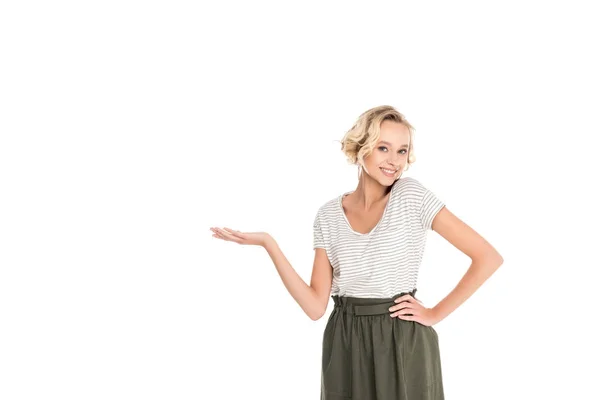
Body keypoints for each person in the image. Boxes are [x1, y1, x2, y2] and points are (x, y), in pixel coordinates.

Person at [210, 105, 504, 399]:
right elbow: (315, 307)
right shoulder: (328, 216)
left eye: (402, 151)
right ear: (361, 148)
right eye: (383, 148)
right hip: (345, 338)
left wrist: (435, 313)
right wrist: (268, 244)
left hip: (400, 337)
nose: (394, 161)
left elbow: (487, 257)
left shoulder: (411, 196)